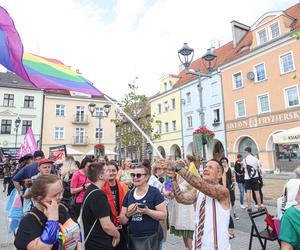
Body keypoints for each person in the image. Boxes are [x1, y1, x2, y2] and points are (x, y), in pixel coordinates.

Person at [167, 159, 230, 250]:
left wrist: (177, 167)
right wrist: (173, 179)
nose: (206, 169)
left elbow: (199, 184)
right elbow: (181, 199)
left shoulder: (223, 191)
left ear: (219, 175)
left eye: (210, 167)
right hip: (198, 246)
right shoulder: (198, 191)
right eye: (206, 166)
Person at [14, 175, 81, 250]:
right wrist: (52, 220)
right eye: (56, 195)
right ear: (40, 198)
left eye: (61, 192)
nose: (61, 197)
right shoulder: (29, 221)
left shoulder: (61, 208)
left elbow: (77, 233)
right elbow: (43, 248)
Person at [119, 164, 167, 250]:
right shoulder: (129, 194)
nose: (135, 177)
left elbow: (163, 215)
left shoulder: (154, 192)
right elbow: (122, 220)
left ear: (146, 177)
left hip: (152, 238)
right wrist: (128, 214)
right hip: (134, 239)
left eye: (138, 175)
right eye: (133, 175)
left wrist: (148, 211)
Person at [81, 162, 120, 250]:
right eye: (107, 171)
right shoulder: (98, 195)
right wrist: (117, 235)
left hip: (92, 240)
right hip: (99, 243)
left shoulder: (91, 189)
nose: (110, 172)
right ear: (101, 176)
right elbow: (106, 225)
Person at [169, 160, 197, 250]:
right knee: (183, 230)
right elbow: (168, 189)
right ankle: (187, 248)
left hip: (187, 207)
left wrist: (185, 193)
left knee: (188, 228)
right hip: (177, 206)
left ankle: (191, 248)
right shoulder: (175, 177)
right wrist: (169, 191)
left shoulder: (188, 177)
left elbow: (195, 189)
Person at [102, 160, 128, 250]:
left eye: (113, 170)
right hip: (109, 223)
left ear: (117, 172)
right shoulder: (101, 188)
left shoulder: (123, 186)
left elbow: (128, 203)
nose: (111, 173)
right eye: (108, 170)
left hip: (122, 222)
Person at [243, 147, 262, 211]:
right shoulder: (255, 159)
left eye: (245, 152)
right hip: (255, 177)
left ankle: (249, 207)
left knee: (248, 192)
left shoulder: (244, 159)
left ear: (246, 151)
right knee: (257, 192)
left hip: (247, 177)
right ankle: (259, 206)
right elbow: (258, 168)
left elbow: (244, 168)